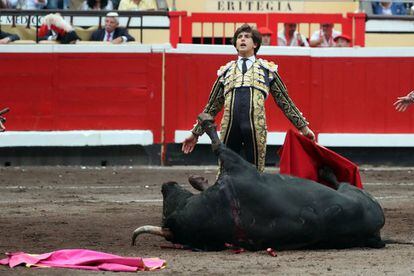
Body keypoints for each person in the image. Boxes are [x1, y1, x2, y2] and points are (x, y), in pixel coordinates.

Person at [182, 24, 315, 189]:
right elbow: (211, 107)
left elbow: (284, 101)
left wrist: (303, 127)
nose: (242, 39)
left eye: (246, 36)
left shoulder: (267, 70)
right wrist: (195, 134)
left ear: (255, 44)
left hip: (255, 127)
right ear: (235, 44)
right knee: (225, 171)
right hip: (229, 127)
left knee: (255, 173)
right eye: (239, 37)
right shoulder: (225, 72)